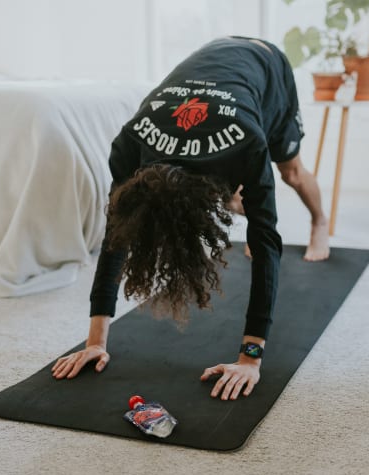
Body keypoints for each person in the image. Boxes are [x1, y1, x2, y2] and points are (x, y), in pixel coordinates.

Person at [51, 36, 329, 401]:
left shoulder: (248, 142)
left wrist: (251, 358)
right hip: (213, 65)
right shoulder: (130, 143)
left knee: (291, 172)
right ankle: (234, 199)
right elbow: (115, 237)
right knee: (236, 195)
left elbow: (266, 243)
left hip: (265, 65)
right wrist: (95, 341)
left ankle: (320, 221)